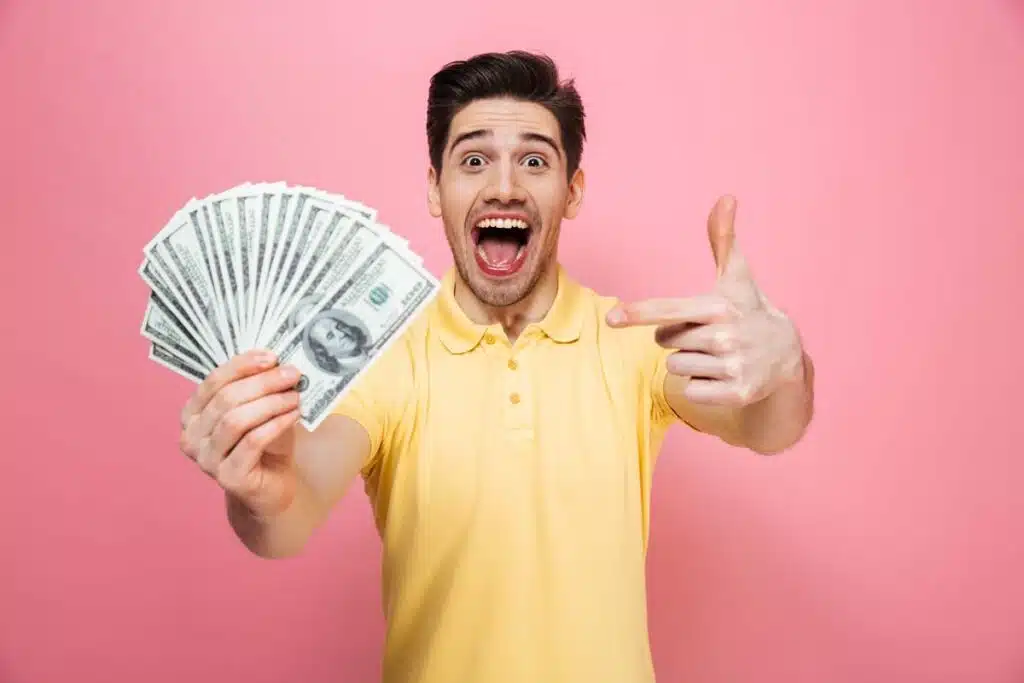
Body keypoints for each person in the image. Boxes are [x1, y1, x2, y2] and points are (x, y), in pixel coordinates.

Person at [177, 51, 815, 683]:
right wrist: (261, 494)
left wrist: (785, 367)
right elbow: (290, 515)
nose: (504, 186)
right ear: (436, 188)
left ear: (572, 191)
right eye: (474, 160)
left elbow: (767, 427)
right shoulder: (386, 355)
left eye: (534, 161)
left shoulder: (630, 341)